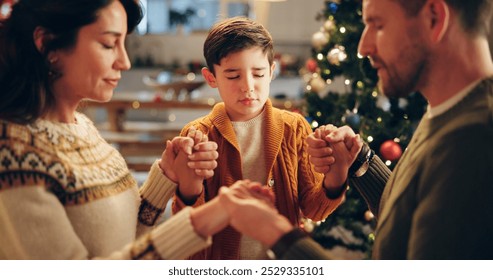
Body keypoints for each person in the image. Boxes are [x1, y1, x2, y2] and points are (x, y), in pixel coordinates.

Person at [221, 0, 493, 260]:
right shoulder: (448, 110)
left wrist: (276, 233)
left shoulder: (473, 141)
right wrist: (361, 160)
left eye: (378, 24)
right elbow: (412, 218)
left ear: (434, 18)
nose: (363, 46)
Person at [0, 0, 224, 260]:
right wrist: (201, 223)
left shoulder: (80, 127)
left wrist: (168, 174)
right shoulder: (12, 153)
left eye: (123, 44)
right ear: (48, 43)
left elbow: (124, 239)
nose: (124, 62)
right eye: (108, 44)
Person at [172, 16, 345, 260]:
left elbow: (314, 210)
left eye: (259, 74)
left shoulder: (294, 128)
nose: (248, 86)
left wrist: (336, 177)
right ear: (211, 78)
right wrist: (189, 189)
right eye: (233, 76)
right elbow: (186, 227)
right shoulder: (198, 135)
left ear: (272, 71)